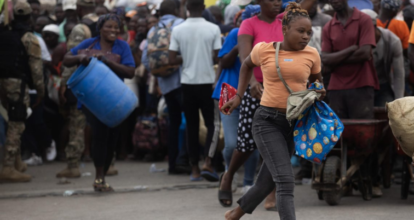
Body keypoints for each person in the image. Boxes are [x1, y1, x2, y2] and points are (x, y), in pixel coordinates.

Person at [222, 3, 324, 219]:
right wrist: (239, 96)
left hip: (294, 124)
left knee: (266, 181)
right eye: (301, 31)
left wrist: (317, 92)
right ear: (285, 29)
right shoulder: (264, 49)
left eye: (309, 32)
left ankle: (235, 214)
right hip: (267, 122)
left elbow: (317, 85)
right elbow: (246, 65)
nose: (306, 36)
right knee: (285, 181)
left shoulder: (312, 54)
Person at [63, 14, 135, 191]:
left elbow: (130, 71)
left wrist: (108, 62)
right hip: (92, 100)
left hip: (114, 99)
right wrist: (80, 58)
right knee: (100, 136)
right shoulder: (89, 44)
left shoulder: (122, 46)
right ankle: (99, 178)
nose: (113, 30)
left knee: (112, 139)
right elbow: (66, 59)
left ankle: (103, 175)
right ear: (100, 29)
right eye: (108, 27)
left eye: (116, 27)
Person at [168, 0, 222, 182]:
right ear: (204, 8)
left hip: (187, 83)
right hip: (207, 82)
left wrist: (188, 55)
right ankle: (208, 161)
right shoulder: (213, 29)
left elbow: (171, 59)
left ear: (187, 9)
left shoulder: (178, 29)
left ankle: (195, 169)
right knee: (212, 125)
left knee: (191, 126)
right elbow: (217, 57)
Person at [214, 9, 260, 202]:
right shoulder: (234, 34)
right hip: (228, 92)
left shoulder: (265, 33)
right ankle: (228, 172)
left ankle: (248, 182)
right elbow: (223, 62)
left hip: (255, 91)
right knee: (232, 143)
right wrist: (240, 45)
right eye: (244, 20)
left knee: (252, 141)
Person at [0, 0, 45, 182]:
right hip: (17, 84)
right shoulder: (29, 37)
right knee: (16, 123)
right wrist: (40, 91)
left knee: (10, 120)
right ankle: (8, 167)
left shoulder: (3, 33)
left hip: (2, 83)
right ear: (29, 17)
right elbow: (36, 69)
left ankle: (17, 162)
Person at [141, 0, 185, 174]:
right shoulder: (182, 25)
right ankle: (187, 160)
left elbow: (146, 59)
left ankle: (172, 165)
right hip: (183, 80)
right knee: (189, 121)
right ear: (176, 9)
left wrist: (160, 74)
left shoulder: (153, 30)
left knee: (173, 123)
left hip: (165, 84)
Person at [321, 0, 379, 119]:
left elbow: (365, 53)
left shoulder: (364, 19)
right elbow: (325, 58)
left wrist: (335, 60)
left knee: (362, 131)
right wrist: (351, 49)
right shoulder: (328, 27)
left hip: (361, 85)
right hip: (336, 88)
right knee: (339, 133)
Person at [294, 0, 331, 184]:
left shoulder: (326, 20)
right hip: (301, 81)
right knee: (303, 125)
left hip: (322, 79)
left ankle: (322, 170)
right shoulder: (294, 23)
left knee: (320, 126)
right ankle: (306, 169)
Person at [57, 23, 91, 178]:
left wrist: (64, 83)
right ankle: (108, 164)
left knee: (77, 124)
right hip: (100, 82)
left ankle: (72, 166)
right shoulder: (105, 24)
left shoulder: (79, 29)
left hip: (81, 83)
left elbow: (71, 60)